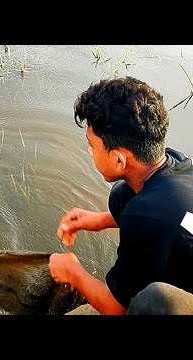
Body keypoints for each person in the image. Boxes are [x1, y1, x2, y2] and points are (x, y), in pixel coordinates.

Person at [48, 76, 193, 315]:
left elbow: (116, 308)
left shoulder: (146, 216)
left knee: (152, 304)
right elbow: (180, 221)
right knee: (122, 194)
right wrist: (99, 220)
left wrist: (73, 272)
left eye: (92, 146)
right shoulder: (176, 164)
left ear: (118, 159)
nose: (89, 151)